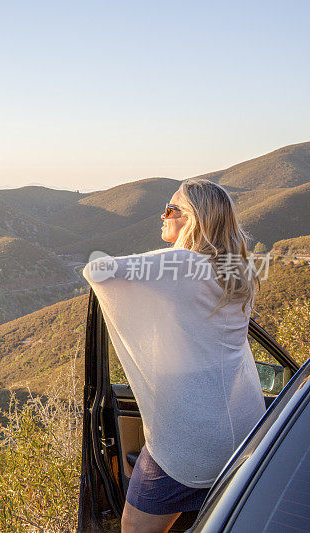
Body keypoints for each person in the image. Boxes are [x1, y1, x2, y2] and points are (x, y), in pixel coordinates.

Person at [82, 179, 265, 533]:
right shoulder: (239, 269)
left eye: (170, 210)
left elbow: (97, 270)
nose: (162, 216)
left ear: (192, 219)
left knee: (134, 527)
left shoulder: (181, 263)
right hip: (245, 428)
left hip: (191, 441)